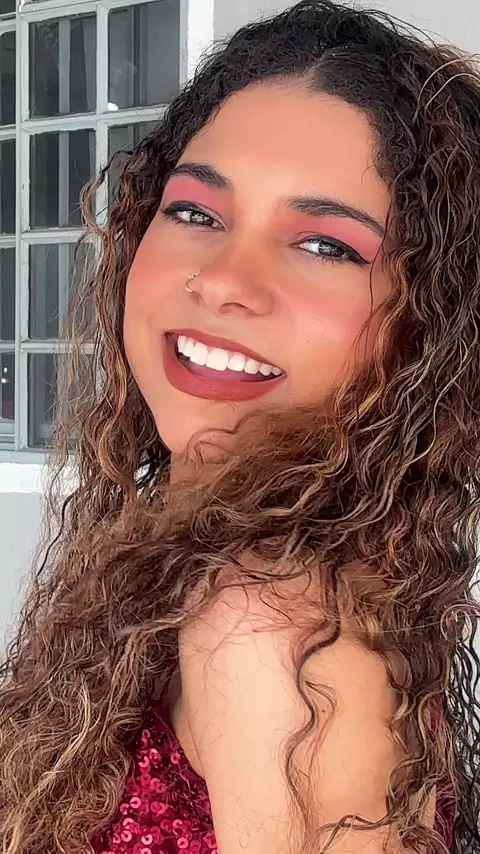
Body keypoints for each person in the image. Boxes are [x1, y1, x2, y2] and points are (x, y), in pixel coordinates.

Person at [1, 0, 480, 851]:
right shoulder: (207, 557)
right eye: (196, 213)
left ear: (428, 327)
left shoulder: (271, 625)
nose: (225, 280)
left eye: (326, 245)